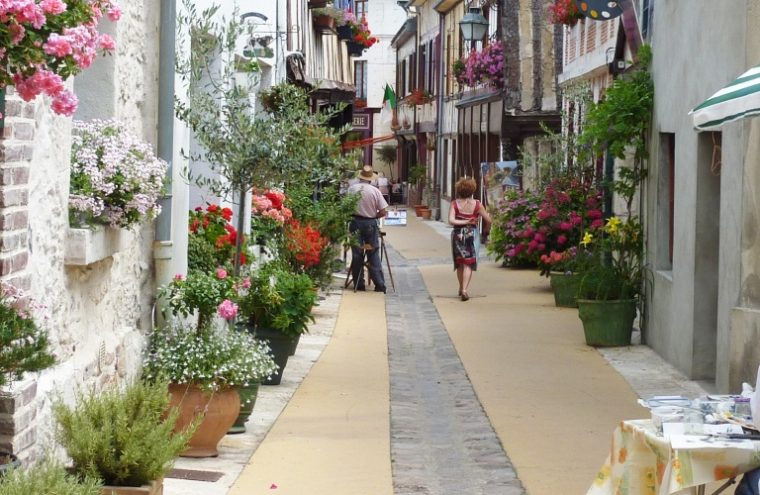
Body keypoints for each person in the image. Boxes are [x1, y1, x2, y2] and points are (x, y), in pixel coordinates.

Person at [449, 177, 491, 301]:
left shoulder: (454, 204)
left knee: (459, 263)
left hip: (457, 234)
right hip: (471, 234)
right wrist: (486, 231)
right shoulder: (477, 204)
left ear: (458, 190)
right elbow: (488, 220)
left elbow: (451, 221)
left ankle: (461, 287)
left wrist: (462, 221)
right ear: (472, 190)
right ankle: (464, 290)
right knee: (468, 262)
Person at [347, 165, 388, 293]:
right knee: (373, 253)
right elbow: (383, 211)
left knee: (357, 253)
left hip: (355, 221)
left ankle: (359, 284)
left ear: (360, 177)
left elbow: (346, 207)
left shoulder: (352, 189)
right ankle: (379, 284)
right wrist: (374, 215)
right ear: (370, 178)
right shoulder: (375, 191)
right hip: (370, 223)